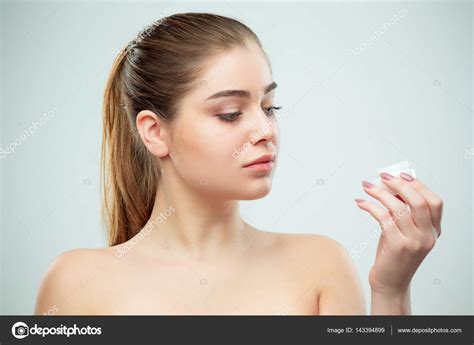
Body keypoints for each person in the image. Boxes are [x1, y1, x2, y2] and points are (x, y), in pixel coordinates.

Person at [34, 12, 443, 315]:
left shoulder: (321, 264)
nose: (265, 130)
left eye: (270, 106)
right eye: (230, 113)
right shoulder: (74, 282)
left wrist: (391, 290)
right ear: (155, 132)